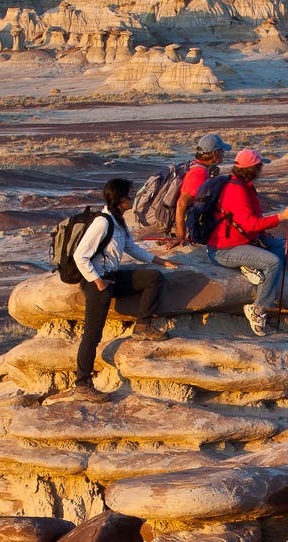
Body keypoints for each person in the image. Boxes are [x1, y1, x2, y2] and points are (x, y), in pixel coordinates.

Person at [68, 177, 175, 401]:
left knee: (153, 278)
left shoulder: (118, 220)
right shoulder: (102, 222)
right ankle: (82, 384)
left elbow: (130, 247)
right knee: (92, 334)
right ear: (119, 199)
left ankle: (143, 325)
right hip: (97, 282)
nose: (134, 197)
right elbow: (80, 255)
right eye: (130, 194)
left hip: (112, 277)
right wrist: (97, 281)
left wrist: (160, 261)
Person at [207, 148, 288, 336]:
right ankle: (257, 309)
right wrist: (281, 217)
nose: (262, 170)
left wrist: (263, 235)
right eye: (260, 166)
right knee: (273, 262)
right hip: (225, 250)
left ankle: (249, 266)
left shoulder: (246, 187)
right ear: (252, 169)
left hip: (244, 242)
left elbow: (252, 219)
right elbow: (250, 223)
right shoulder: (235, 191)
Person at [172, 133, 230, 239]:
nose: (223, 153)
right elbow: (181, 203)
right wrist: (181, 236)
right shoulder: (199, 173)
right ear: (215, 153)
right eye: (222, 150)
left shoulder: (195, 165)